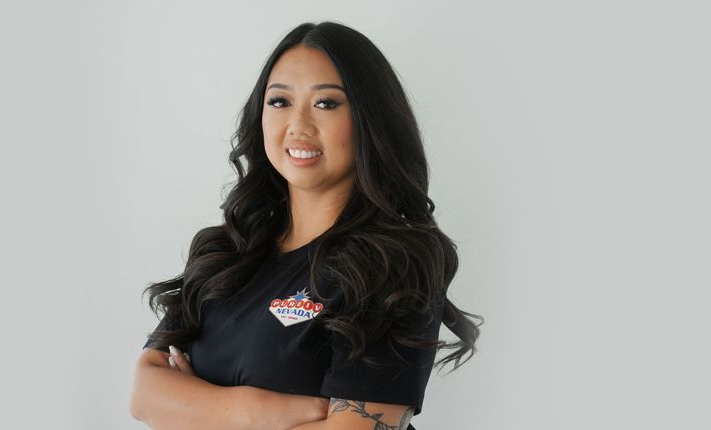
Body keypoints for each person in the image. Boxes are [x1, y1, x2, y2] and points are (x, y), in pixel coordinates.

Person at [129, 21, 483, 430]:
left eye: (326, 103)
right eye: (279, 101)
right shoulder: (225, 253)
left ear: (370, 118)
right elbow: (144, 393)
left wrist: (194, 408)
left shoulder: (395, 263)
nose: (298, 124)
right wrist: (259, 412)